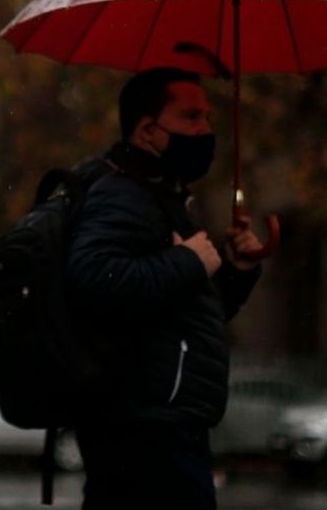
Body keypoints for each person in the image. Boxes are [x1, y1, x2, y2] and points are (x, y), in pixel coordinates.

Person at [67, 67, 263, 510]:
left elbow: (185, 321)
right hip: (143, 428)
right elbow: (94, 279)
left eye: (209, 118)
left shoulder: (161, 196)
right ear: (148, 131)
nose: (206, 130)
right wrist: (188, 261)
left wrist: (236, 270)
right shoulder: (123, 194)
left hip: (162, 421)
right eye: (191, 117)